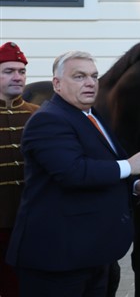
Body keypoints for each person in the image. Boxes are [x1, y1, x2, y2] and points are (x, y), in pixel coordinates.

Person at [6, 50, 140, 297]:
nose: (90, 83)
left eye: (94, 76)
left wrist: (134, 183)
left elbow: (101, 163)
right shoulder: (48, 120)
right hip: (58, 260)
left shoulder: (90, 115)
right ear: (57, 84)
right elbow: (73, 171)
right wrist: (130, 166)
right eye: (79, 76)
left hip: (91, 254)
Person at [0, 42, 39, 297]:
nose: (17, 76)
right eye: (9, 71)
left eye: (22, 71)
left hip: (31, 222)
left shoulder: (38, 115)